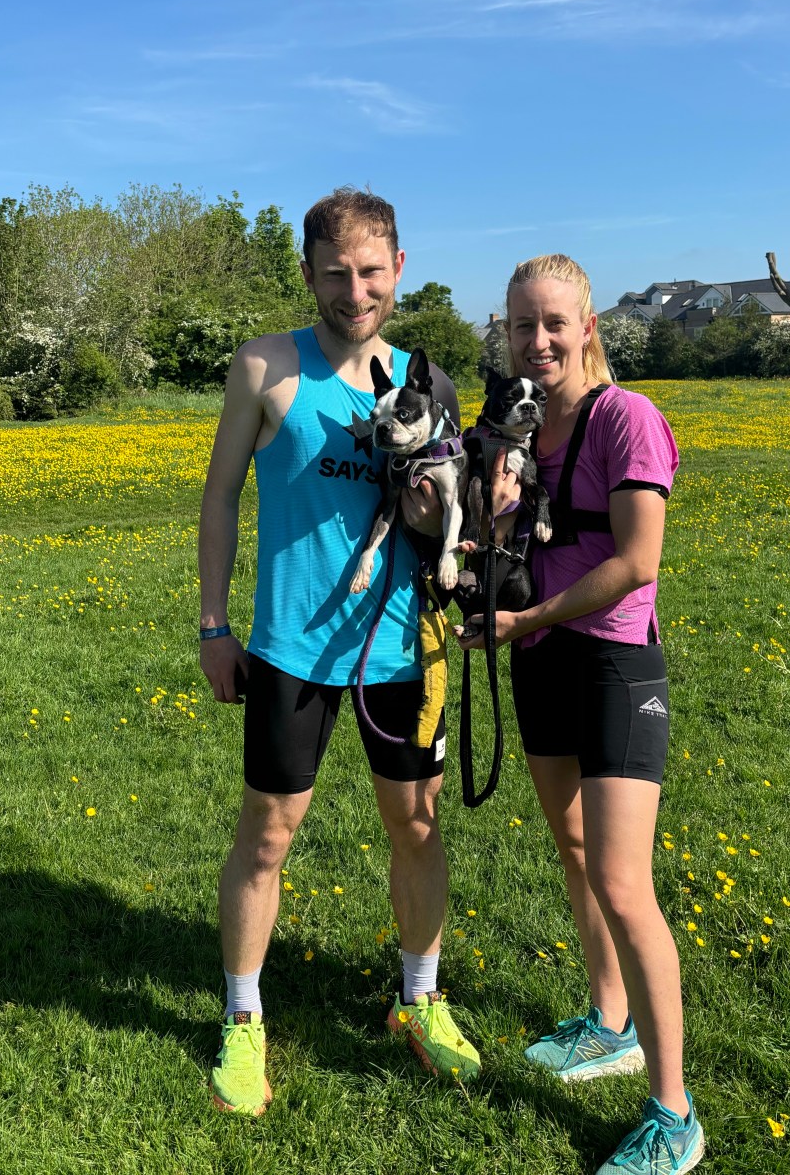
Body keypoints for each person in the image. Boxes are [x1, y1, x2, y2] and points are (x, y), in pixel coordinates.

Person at [197, 187, 480, 1117]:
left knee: (418, 828)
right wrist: (213, 626)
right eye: (334, 273)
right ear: (309, 273)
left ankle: (420, 1002)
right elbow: (221, 500)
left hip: (406, 651)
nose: (353, 291)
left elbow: (447, 512)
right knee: (267, 837)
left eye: (370, 271)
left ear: (399, 268)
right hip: (290, 650)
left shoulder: (426, 383)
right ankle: (244, 1022)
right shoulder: (264, 367)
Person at [457, 254, 704, 1173]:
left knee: (623, 880)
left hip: (611, 662)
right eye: (522, 326)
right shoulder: (520, 432)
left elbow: (639, 560)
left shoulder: (625, 420)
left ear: (588, 323)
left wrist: (531, 615)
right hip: (539, 657)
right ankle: (609, 1023)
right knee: (572, 850)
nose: (539, 341)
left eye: (555, 323)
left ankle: (675, 1115)